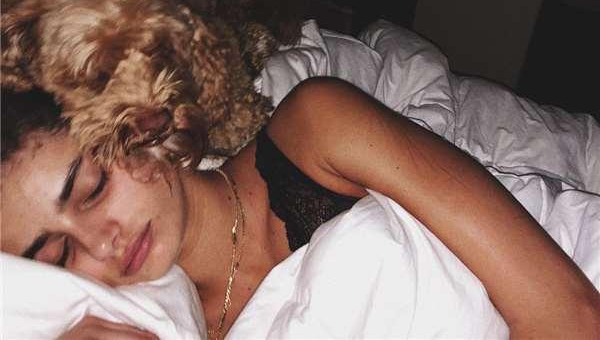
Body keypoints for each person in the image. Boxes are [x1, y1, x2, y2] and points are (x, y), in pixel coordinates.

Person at [2, 81, 599, 340]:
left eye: (92, 189)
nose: (100, 243)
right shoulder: (159, 324)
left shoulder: (314, 127)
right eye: (58, 253)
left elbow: (569, 316)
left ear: (135, 125)